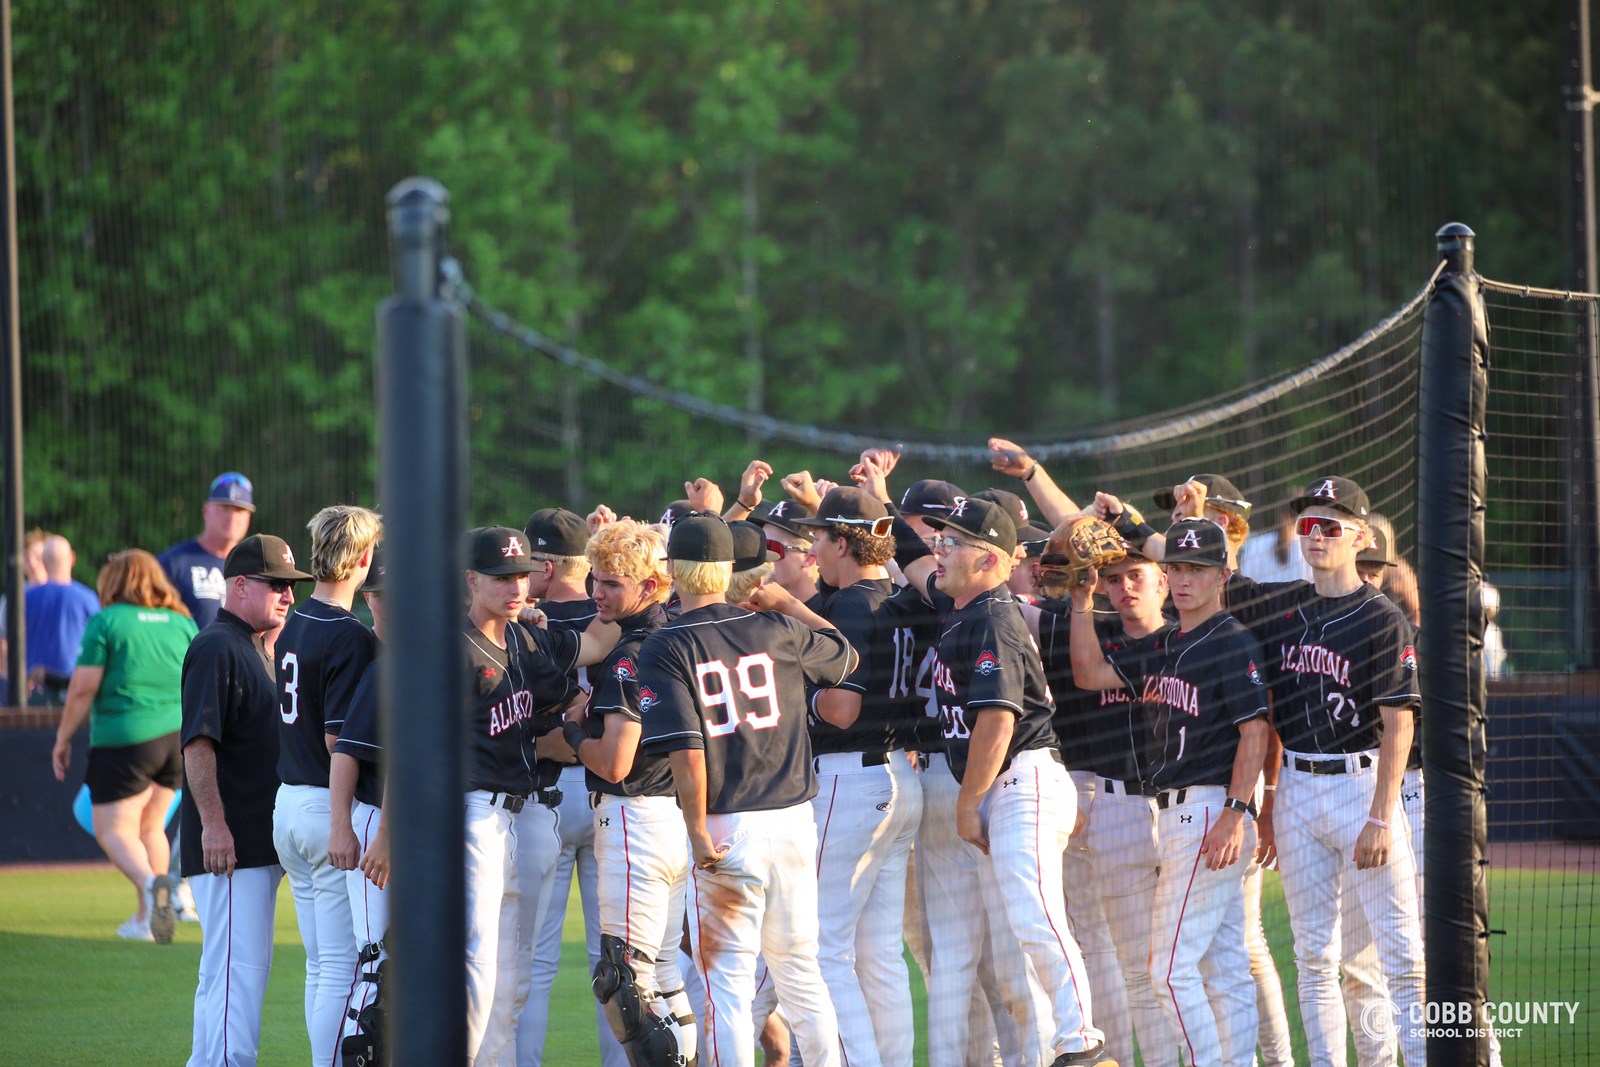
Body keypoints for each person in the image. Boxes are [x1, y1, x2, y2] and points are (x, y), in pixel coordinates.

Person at [638, 512, 858, 1067]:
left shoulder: (666, 645)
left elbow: (687, 748)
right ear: (728, 571)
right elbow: (846, 657)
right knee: (801, 971)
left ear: (674, 571)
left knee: (726, 987)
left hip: (726, 823)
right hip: (791, 820)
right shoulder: (778, 630)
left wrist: (692, 828)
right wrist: (787, 604)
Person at [1071, 519, 1269, 1067]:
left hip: (1209, 813)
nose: (1184, 580)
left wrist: (1234, 812)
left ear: (1222, 575)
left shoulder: (1231, 640)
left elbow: (1255, 730)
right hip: (1181, 814)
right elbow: (1088, 674)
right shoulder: (1163, 644)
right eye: (1177, 568)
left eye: (1197, 569)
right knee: (1225, 966)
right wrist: (1084, 599)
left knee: (1169, 971)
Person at [1271, 477, 1427, 1067]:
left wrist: (1381, 818)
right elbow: (1194, 566)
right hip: (1297, 788)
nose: (1315, 535)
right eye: (1308, 524)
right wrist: (1131, 525)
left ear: (1359, 536)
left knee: (1403, 955)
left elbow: (1399, 727)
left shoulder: (1381, 618)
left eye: (1330, 526)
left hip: (1362, 786)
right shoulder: (1280, 606)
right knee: (1314, 958)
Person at [460, 525, 617, 1067]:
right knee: (479, 957)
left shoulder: (527, 637)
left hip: (525, 811)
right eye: (502, 577)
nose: (516, 587)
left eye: (522, 575)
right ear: (471, 579)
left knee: (517, 963)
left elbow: (596, 645)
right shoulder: (451, 646)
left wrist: (639, 585)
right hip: (472, 810)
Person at [793, 487, 926, 1067]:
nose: (814, 548)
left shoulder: (849, 605)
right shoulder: (898, 598)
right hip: (899, 774)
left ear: (842, 541)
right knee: (879, 958)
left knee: (821, 951)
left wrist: (796, 699)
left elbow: (842, 709)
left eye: (820, 536)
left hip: (849, 783)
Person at [564, 519, 697, 1066]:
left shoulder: (630, 654)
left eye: (615, 582)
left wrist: (574, 731)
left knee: (624, 978)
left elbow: (616, 763)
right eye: (596, 578)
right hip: (675, 817)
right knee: (664, 974)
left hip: (632, 818)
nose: (599, 591)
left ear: (651, 584)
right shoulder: (682, 631)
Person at [180, 533, 310, 1067]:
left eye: (290, 586)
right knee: (238, 972)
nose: (288, 596)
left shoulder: (255, 646)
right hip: (230, 845)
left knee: (226, 972)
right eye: (276, 584)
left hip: (253, 841)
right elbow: (198, 741)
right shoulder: (217, 645)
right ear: (239, 585)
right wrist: (214, 824)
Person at [514, 505, 628, 1067]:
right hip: (613, 789)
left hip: (547, 791)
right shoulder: (616, 611)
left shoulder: (521, 620)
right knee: (612, 955)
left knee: (534, 958)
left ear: (547, 563)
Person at [272, 504, 382, 1066]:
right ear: (365, 557)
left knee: (322, 964)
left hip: (288, 803)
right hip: (325, 805)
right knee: (342, 965)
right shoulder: (350, 636)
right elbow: (342, 744)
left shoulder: (292, 619)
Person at [49, 549, 198, 942]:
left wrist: (62, 740)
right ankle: (147, 917)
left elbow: (81, 690)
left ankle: (153, 887)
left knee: (112, 829)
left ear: (112, 581)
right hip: (176, 740)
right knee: (151, 828)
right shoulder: (182, 623)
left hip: (126, 738)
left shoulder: (106, 621)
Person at [327, 551, 389, 1066]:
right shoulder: (381, 671)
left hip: (410, 828)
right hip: (373, 823)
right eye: (383, 598)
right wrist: (341, 827)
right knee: (375, 964)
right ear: (369, 600)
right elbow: (345, 752)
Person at [160, 472, 256, 630]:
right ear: (206, 510)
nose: (231, 517)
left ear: (248, 517)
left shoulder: (255, 567)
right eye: (225, 508)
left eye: (239, 510)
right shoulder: (173, 563)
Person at [23, 534, 101, 704]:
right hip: (76, 689)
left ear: (43, 562)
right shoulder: (88, 599)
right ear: (72, 559)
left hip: (36, 690)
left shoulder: (25, 599)